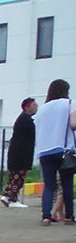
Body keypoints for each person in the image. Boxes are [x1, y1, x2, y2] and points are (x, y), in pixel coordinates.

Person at [33, 79, 76, 226]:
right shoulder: (70, 103)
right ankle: (69, 217)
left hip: (44, 151)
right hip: (64, 150)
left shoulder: (42, 109)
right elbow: (74, 124)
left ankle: (46, 216)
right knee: (67, 184)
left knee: (49, 185)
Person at [2, 98, 38, 208]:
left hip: (16, 152)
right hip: (21, 154)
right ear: (27, 107)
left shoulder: (22, 119)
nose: (36, 107)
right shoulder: (26, 120)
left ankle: (7, 195)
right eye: (34, 105)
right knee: (19, 176)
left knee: (14, 175)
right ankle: (12, 198)